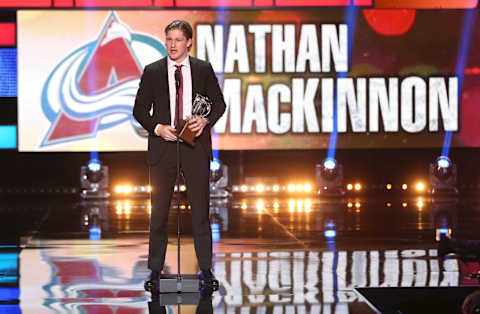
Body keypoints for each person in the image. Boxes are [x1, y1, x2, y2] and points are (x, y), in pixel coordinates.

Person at [133, 20, 226, 286]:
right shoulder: (153, 71)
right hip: (163, 148)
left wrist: (205, 121)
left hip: (194, 148)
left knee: (200, 213)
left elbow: (218, 104)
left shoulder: (202, 69)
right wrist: (158, 127)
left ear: (189, 42)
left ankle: (206, 271)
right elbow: (139, 110)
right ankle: (155, 271)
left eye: (177, 40)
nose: (172, 45)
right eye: (168, 39)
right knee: (159, 213)